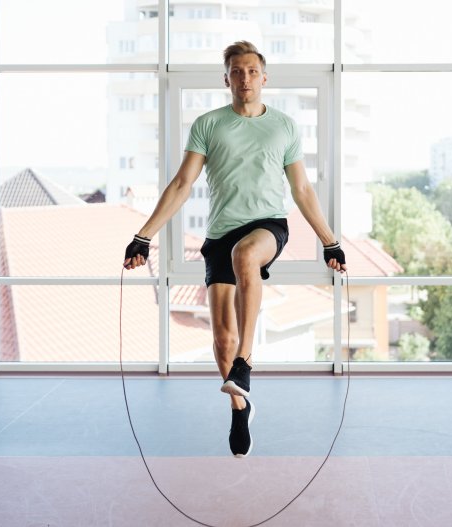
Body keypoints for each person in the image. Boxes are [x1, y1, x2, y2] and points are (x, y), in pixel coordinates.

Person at [124, 41, 346, 458]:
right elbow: (181, 185)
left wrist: (329, 241)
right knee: (221, 339)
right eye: (236, 72)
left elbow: (301, 189)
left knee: (246, 256)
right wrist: (144, 235)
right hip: (219, 233)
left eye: (251, 71)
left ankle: (245, 363)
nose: (244, 78)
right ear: (226, 79)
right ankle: (239, 404)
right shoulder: (209, 125)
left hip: (266, 226)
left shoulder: (284, 126)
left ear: (264, 78)